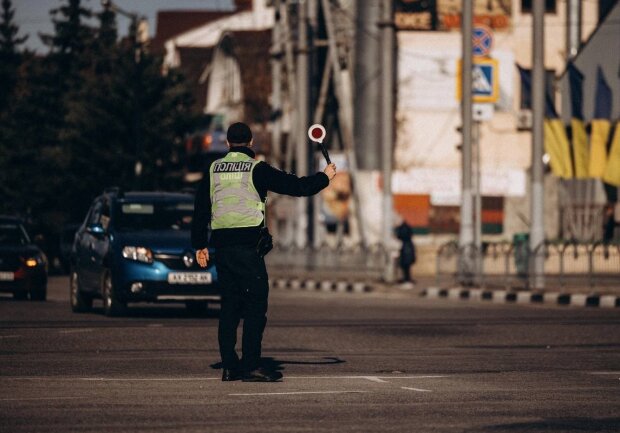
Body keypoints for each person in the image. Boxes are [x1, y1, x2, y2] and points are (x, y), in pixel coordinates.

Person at [191, 122, 336, 382]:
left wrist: (199, 245)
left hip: (222, 248)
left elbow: (201, 208)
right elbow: (297, 187)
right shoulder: (256, 169)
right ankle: (250, 366)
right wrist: (324, 177)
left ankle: (229, 366)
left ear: (227, 144)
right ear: (250, 144)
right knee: (255, 307)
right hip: (248, 249)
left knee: (229, 308)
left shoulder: (213, 169)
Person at [395, 218, 416, 284]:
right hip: (408, 249)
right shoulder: (407, 228)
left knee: (405, 267)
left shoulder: (402, 229)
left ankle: (407, 279)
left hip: (406, 251)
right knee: (406, 267)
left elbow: (399, 236)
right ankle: (407, 278)